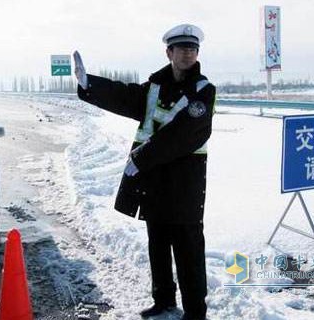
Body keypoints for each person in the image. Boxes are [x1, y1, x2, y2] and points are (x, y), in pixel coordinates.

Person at [74, 23, 215, 320]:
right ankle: (163, 300)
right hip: (156, 183)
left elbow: (184, 134)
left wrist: (141, 157)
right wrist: (90, 84)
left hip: (184, 187)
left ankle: (195, 312)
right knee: (158, 247)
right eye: (182, 48)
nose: (188, 54)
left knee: (189, 253)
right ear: (169, 52)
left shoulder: (204, 91)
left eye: (193, 49)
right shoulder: (154, 88)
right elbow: (124, 96)